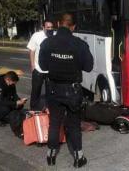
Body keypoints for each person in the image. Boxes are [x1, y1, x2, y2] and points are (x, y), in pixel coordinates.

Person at [39, 13, 93, 168]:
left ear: (57, 23)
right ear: (73, 26)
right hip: (73, 90)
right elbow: (89, 66)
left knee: (54, 123)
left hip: (54, 89)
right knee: (74, 125)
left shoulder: (47, 43)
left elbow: (43, 67)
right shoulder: (79, 44)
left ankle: (51, 154)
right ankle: (78, 156)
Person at [27, 20, 54, 111]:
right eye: (48, 27)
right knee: (36, 90)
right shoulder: (36, 36)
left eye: (51, 27)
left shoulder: (55, 36)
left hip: (50, 70)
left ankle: (48, 109)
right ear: (43, 27)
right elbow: (32, 50)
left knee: (50, 92)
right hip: (38, 69)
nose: (50, 29)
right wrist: (32, 65)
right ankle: (33, 109)